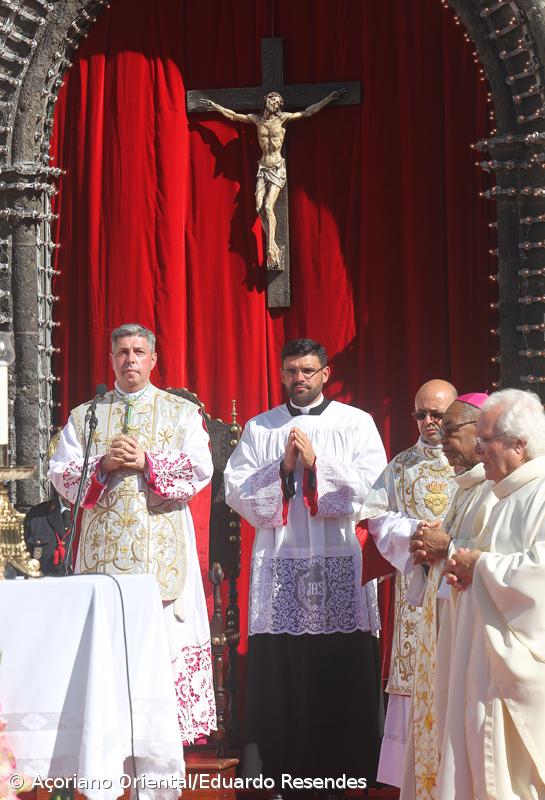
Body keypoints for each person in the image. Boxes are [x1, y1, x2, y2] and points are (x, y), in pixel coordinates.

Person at [224, 338, 387, 791]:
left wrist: (319, 464)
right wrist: (281, 467)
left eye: (308, 371)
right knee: (282, 665)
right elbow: (235, 491)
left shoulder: (356, 423)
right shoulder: (262, 428)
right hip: (280, 558)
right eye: (292, 370)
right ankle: (278, 769)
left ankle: (348, 768)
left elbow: (375, 487)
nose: (300, 378)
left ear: (325, 374)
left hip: (339, 555)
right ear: (281, 374)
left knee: (343, 661)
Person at [48, 322, 216, 744]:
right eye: (122, 352)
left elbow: (200, 469)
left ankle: (161, 739)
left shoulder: (181, 413)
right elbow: (60, 474)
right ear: (111, 359)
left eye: (139, 352)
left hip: (159, 554)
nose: (130, 360)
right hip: (101, 558)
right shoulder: (86, 416)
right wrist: (102, 465)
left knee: (159, 642)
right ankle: (107, 736)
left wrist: (148, 462)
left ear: (153, 359)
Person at [436, 389, 545, 799]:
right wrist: (467, 567)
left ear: (519, 445)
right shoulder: (504, 496)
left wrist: (479, 566)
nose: (478, 450)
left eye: (486, 440)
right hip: (483, 666)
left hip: (516, 672)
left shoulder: (541, 492)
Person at [358, 379, 458, 789]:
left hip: (459, 581)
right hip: (415, 591)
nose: (429, 422)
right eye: (422, 414)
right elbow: (376, 516)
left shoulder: (475, 461)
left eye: (437, 414)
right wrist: (416, 532)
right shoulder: (400, 465)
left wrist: (449, 541)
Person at [400, 393, 496, 800]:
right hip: (445, 625)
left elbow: (495, 558)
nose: (440, 440)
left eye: (450, 429)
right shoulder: (465, 487)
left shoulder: (497, 490)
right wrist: (426, 550)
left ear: (481, 431)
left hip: (476, 633)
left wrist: (447, 546)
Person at [201, 90, 344, 269]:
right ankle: (273, 244)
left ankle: (270, 247)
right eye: (273, 100)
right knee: (259, 208)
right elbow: (233, 116)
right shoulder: (256, 120)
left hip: (277, 168)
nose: (275, 104)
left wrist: (328, 98)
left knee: (268, 206)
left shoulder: (282, 119)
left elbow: (308, 112)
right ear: (266, 100)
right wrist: (216, 107)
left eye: (278, 102)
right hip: (262, 167)